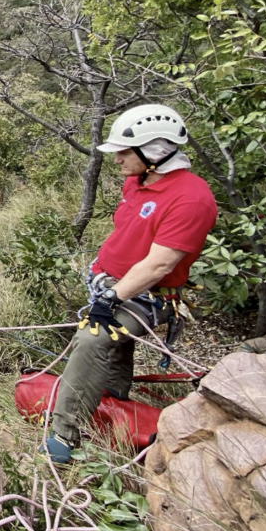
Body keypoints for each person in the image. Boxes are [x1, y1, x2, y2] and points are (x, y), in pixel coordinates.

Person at [44, 104, 217, 464]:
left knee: (93, 338)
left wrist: (112, 298)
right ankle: (112, 395)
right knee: (116, 344)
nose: (117, 159)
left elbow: (161, 263)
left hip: (147, 294)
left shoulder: (191, 198)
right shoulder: (137, 182)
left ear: (155, 150)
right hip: (112, 282)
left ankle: (63, 435)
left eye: (125, 151)